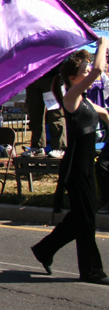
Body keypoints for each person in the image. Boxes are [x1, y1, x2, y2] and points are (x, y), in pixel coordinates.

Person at [31, 39, 109, 285]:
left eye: (87, 71)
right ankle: (92, 271)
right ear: (73, 78)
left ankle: (45, 249)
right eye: (84, 72)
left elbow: (105, 113)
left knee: (82, 216)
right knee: (87, 221)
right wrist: (103, 43)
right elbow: (98, 69)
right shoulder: (72, 97)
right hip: (76, 166)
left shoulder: (84, 100)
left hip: (86, 166)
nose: (90, 74)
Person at [23, 67, 67, 158]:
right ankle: (37, 146)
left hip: (52, 76)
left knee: (55, 114)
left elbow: (63, 56)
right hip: (33, 76)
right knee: (34, 115)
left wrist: (61, 77)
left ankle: (59, 147)